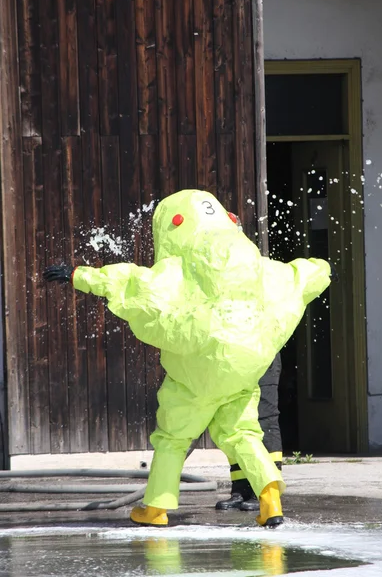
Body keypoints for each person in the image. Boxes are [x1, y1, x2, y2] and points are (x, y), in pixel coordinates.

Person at [43, 189, 333, 529]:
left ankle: (156, 509)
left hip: (197, 368)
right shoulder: (255, 265)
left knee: (173, 437)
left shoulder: (180, 267)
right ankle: (271, 500)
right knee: (244, 434)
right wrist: (326, 271)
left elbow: (133, 283)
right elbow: (298, 276)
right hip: (245, 365)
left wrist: (79, 275)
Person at [216, 353, 283, 511]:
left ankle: (267, 490)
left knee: (265, 417)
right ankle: (241, 489)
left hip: (263, 354)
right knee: (235, 419)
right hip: (237, 356)